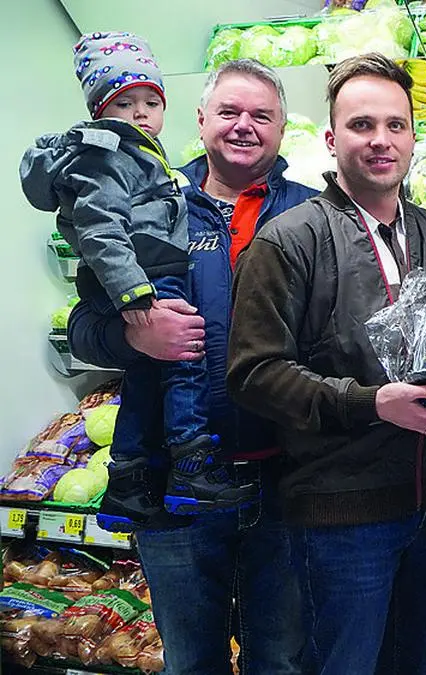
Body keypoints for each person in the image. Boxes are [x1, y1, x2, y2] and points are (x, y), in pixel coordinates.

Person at [64, 57, 315, 674]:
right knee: (190, 661)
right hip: (174, 485)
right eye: (229, 112)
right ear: (201, 120)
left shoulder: (313, 214)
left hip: (287, 484)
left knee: (280, 659)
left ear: (283, 128)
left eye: (262, 115)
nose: (244, 126)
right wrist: (135, 337)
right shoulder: (150, 202)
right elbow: (83, 330)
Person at [225, 53, 426, 675]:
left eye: (396, 125)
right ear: (333, 140)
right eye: (362, 125)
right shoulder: (289, 239)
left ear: (414, 137)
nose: (381, 140)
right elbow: (254, 372)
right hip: (342, 516)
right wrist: (371, 403)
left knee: (416, 663)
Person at [20, 32, 258, 529]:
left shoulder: (299, 206)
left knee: (151, 381)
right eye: (125, 102)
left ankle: (127, 481)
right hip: (149, 279)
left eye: (151, 101)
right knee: (184, 361)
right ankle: (189, 467)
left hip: (271, 476)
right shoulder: (113, 159)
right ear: (202, 119)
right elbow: (99, 240)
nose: (141, 112)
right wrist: (134, 323)